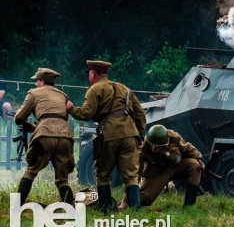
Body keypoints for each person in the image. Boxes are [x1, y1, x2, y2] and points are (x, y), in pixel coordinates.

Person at [67, 59, 147, 212]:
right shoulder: (125, 89)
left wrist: (71, 108)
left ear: (92, 74)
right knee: (131, 175)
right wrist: (139, 135)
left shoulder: (94, 89)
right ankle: (136, 209)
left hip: (108, 134)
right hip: (130, 135)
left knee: (103, 174)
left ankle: (105, 209)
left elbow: (86, 114)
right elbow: (140, 115)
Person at [13, 68, 75, 205]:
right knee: (62, 179)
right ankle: (72, 209)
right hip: (65, 135)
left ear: (42, 81)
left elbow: (19, 118)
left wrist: (19, 115)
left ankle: (17, 206)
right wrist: (36, 128)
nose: (35, 84)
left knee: (31, 171)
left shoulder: (34, 93)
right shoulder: (63, 95)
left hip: (45, 133)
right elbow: (57, 119)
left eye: (37, 81)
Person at [131, 124, 205, 208]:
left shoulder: (174, 138)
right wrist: (128, 196)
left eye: (157, 145)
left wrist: (199, 159)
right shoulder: (144, 147)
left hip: (177, 167)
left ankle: (189, 206)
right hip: (159, 171)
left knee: (194, 165)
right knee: (145, 199)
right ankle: (128, 204)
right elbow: (137, 171)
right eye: (152, 144)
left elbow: (188, 148)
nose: (154, 147)